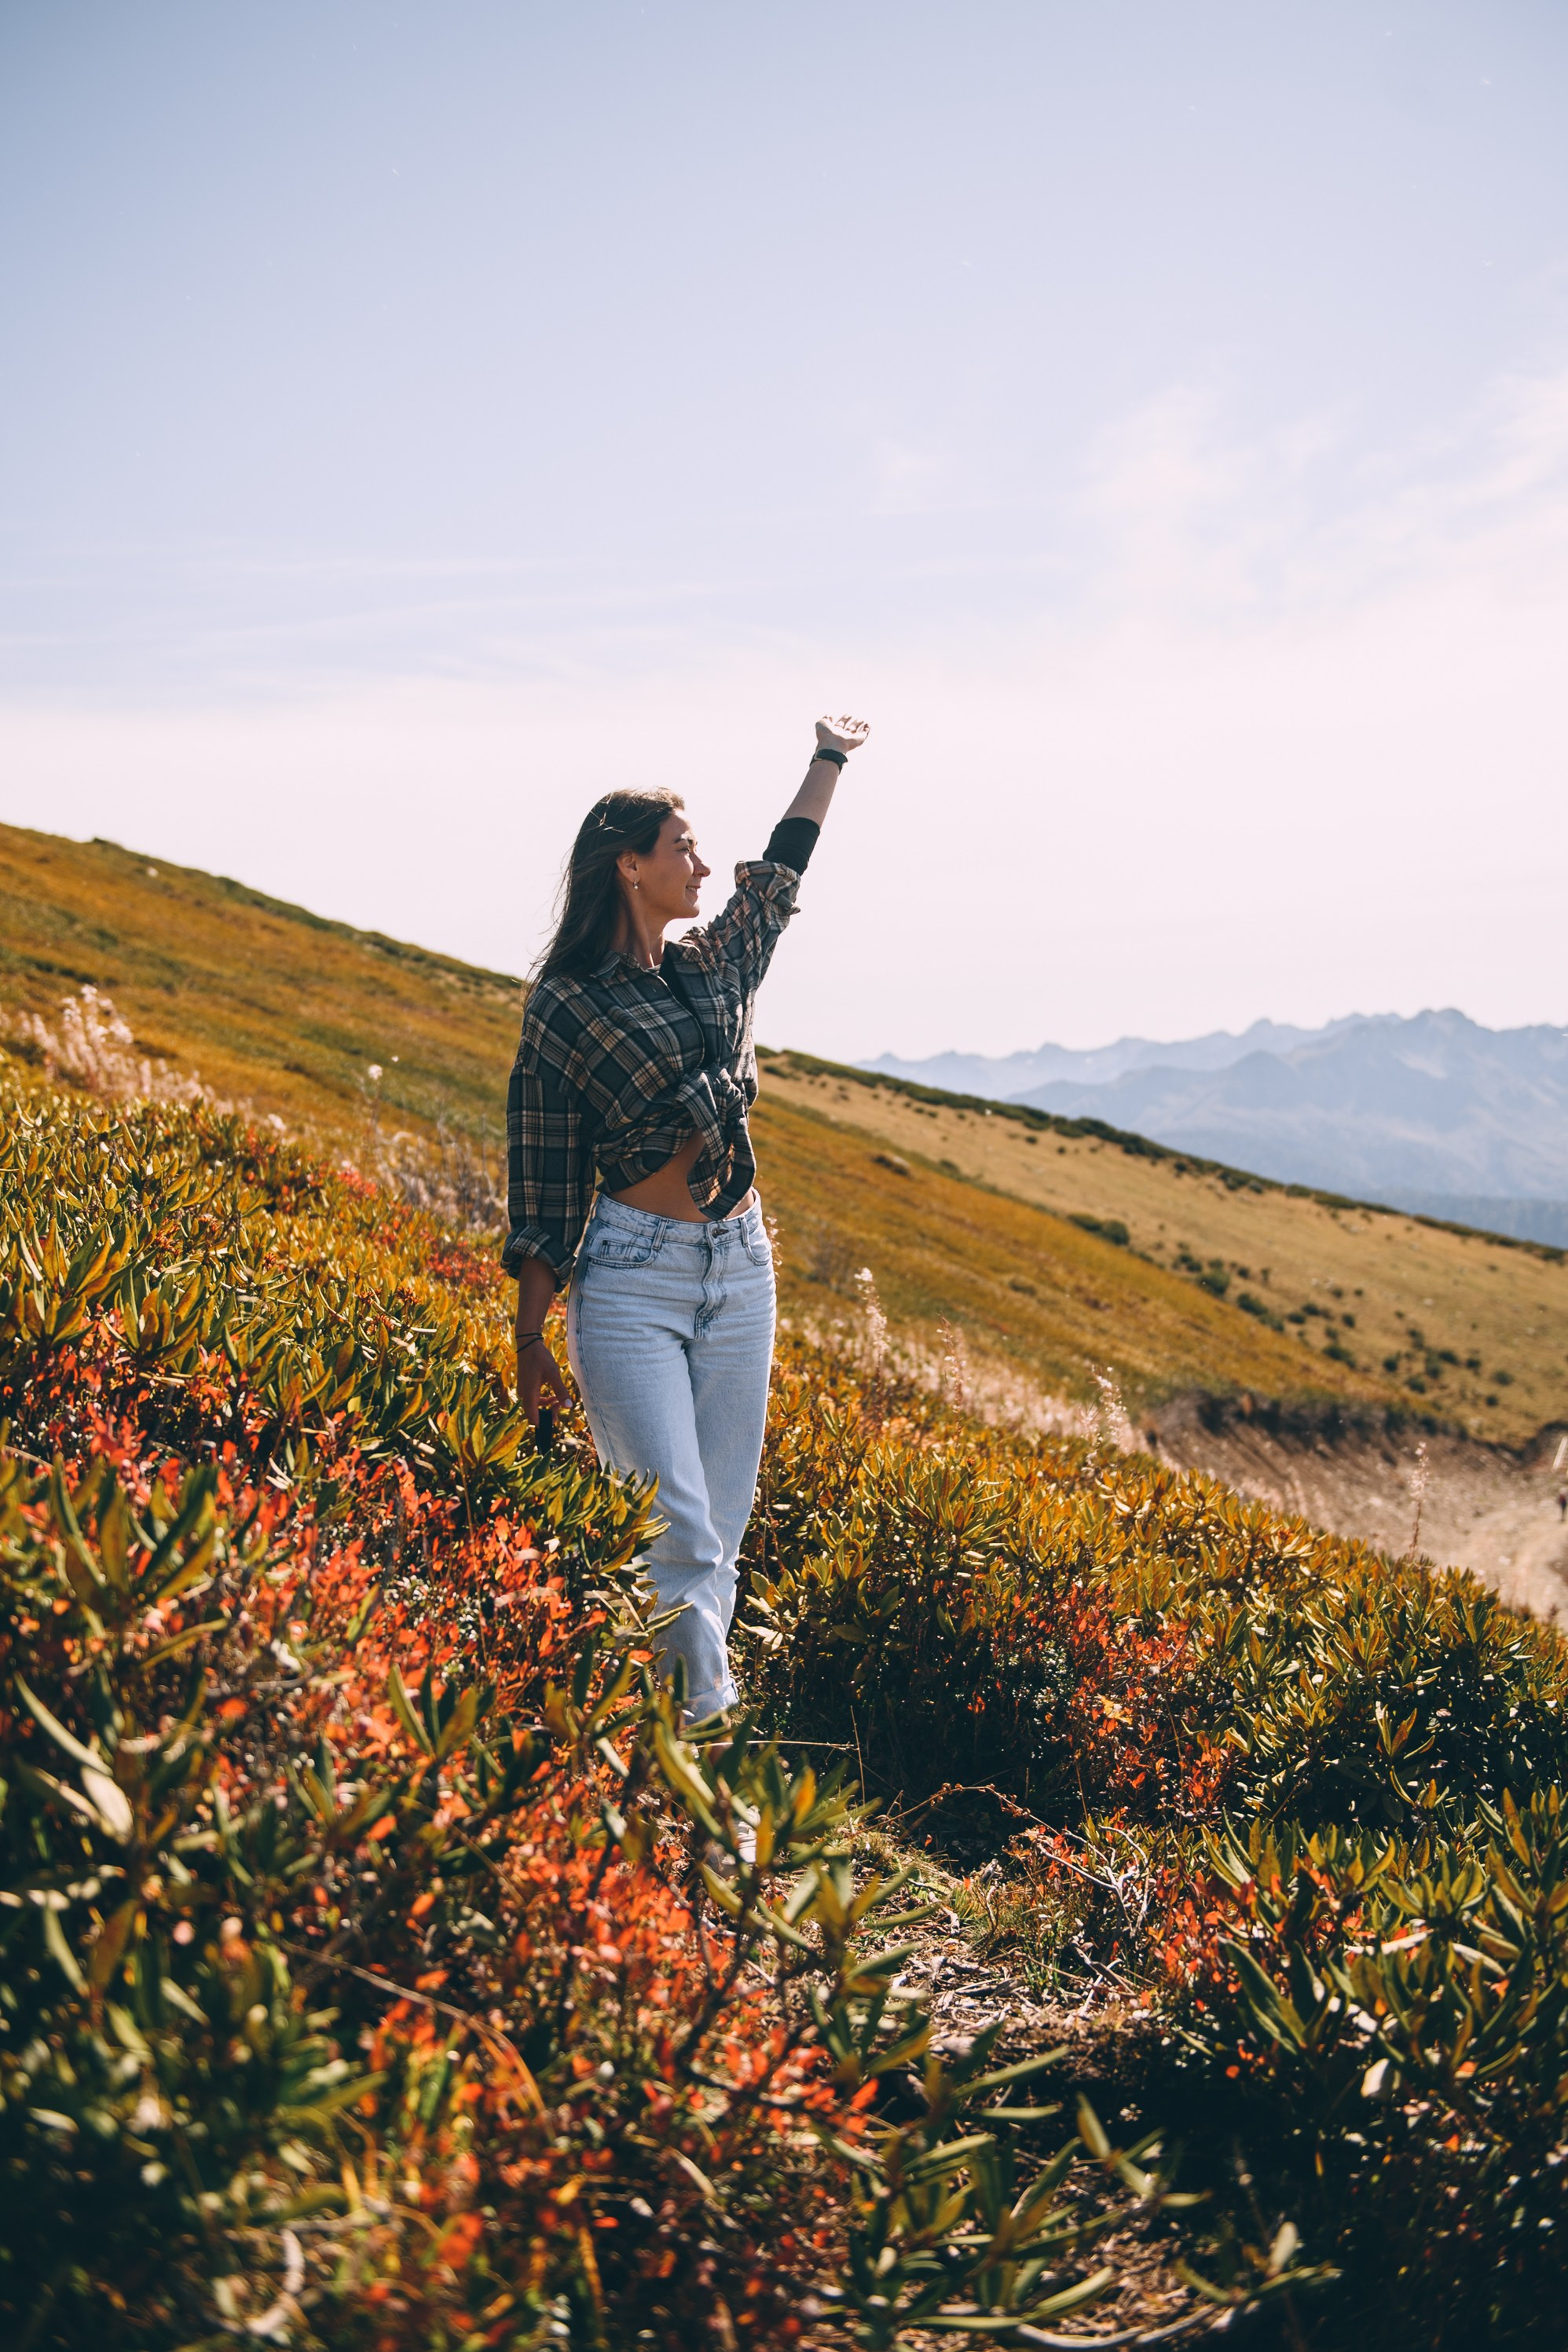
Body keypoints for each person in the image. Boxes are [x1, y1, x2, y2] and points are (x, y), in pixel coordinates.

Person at [504, 716, 870, 1720]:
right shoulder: (567, 1006)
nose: (704, 866)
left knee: (724, 1522)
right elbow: (541, 1175)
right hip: (632, 1280)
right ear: (629, 867)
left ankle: (677, 1719)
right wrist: (531, 1336)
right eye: (683, 849)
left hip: (740, 1267)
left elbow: (781, 877)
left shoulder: (712, 969)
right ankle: (707, 1752)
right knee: (677, 1534)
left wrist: (828, 758)